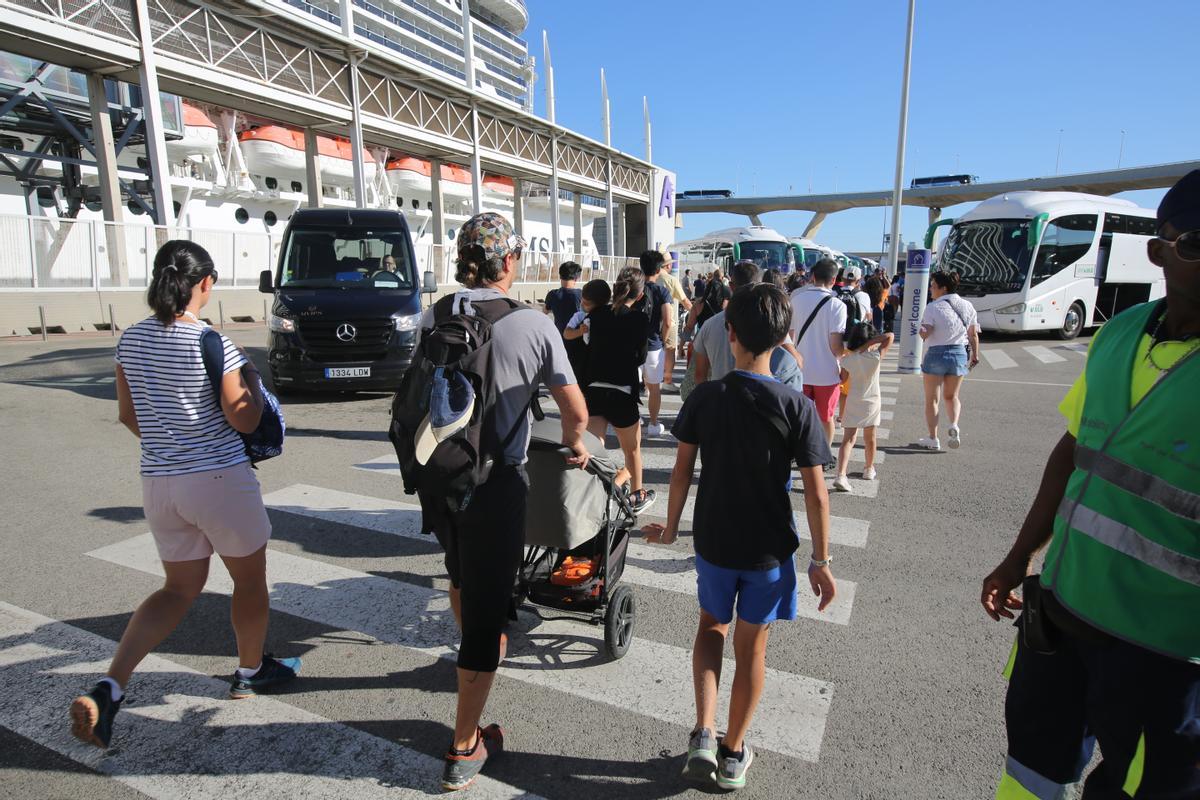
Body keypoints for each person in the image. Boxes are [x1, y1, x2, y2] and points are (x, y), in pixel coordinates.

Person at [980, 170, 1200, 800]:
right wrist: (1020, 554)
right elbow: (1073, 450)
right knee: (1031, 770)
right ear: (1157, 250)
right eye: (1197, 243)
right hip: (1066, 612)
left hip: (1167, 649)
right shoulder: (1118, 336)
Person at [70, 241, 295, 751]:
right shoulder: (211, 341)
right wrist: (255, 389)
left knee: (176, 590)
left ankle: (110, 687)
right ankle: (249, 670)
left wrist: (172, 446)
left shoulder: (129, 341)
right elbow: (243, 417)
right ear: (206, 284)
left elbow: (129, 416)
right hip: (219, 480)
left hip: (159, 483)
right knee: (249, 580)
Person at [415, 213, 591, 791]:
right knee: (489, 609)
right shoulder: (533, 324)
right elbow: (575, 411)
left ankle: (475, 650)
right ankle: (465, 746)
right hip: (495, 483)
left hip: (439, 477)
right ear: (508, 262)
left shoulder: (434, 313)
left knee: (462, 575)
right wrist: (576, 444)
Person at [642, 284, 837, 791]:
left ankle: (703, 733)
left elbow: (681, 471)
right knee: (752, 650)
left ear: (730, 335)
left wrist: (669, 528)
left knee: (711, 627)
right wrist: (821, 559)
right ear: (784, 337)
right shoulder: (798, 406)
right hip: (768, 550)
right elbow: (818, 496)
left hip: (713, 539)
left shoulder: (707, 397)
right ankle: (733, 755)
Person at [584, 267, 656, 513]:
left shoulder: (598, 313)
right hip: (622, 391)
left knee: (593, 451)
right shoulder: (639, 319)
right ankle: (637, 496)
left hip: (594, 389)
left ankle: (590, 495)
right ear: (639, 293)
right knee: (632, 450)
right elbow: (641, 356)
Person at [694, 260, 804, 387]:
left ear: (731, 286)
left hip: (721, 400)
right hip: (764, 397)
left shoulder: (709, 325)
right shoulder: (770, 319)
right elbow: (797, 361)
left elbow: (699, 375)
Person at [789, 257, 848, 462]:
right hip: (827, 372)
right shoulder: (838, 305)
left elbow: (791, 336)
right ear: (833, 280)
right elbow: (835, 344)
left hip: (800, 370)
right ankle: (822, 457)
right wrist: (842, 359)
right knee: (826, 417)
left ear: (812, 277)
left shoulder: (796, 301)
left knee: (800, 417)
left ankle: (800, 452)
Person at [916, 270, 980, 450]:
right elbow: (973, 334)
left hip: (936, 354)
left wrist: (919, 329)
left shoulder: (933, 307)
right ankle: (954, 425)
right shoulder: (967, 306)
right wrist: (975, 355)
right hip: (959, 354)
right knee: (952, 396)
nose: (930, 289)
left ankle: (933, 438)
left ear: (943, 289)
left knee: (932, 400)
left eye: (933, 285)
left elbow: (925, 333)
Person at [832, 327, 893, 492]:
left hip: (853, 399)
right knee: (870, 438)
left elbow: (843, 379)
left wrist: (856, 351)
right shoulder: (875, 357)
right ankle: (868, 468)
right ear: (870, 340)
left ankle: (841, 474)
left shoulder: (848, 360)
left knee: (848, 440)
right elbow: (889, 336)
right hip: (872, 401)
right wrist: (868, 345)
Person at [634, 250, 674, 437]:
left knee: (631, 385)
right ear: (659, 269)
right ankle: (654, 423)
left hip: (632, 346)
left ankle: (633, 420)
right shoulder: (662, 291)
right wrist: (663, 340)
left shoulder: (634, 289)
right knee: (654, 388)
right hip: (653, 346)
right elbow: (667, 321)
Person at [562, 278, 611, 388]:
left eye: (586, 303)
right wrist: (580, 331)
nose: (582, 304)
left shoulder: (607, 317)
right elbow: (566, 333)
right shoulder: (579, 316)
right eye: (582, 301)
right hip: (580, 365)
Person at [655, 253, 693, 388]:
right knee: (670, 350)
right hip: (668, 320)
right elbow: (685, 301)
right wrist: (695, 312)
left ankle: (649, 383)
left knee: (651, 349)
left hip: (652, 320)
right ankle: (667, 380)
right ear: (668, 265)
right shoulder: (671, 280)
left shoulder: (651, 278)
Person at [543, 260, 584, 334]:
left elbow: (545, 311)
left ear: (560, 276)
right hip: (577, 337)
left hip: (559, 337)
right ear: (576, 278)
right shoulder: (581, 294)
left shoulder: (552, 294)